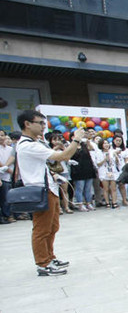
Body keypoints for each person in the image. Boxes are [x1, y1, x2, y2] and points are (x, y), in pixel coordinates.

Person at [14, 110, 82, 275]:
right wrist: (77, 139)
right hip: (40, 190)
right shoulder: (28, 145)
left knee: (52, 227)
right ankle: (43, 263)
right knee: (42, 228)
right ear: (27, 124)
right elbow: (64, 156)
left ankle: (49, 256)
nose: (43, 127)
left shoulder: (32, 143)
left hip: (48, 188)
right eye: (40, 123)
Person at [70, 136, 97, 211]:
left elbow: (92, 149)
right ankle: (80, 204)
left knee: (88, 188)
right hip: (78, 170)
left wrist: (88, 143)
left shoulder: (84, 145)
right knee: (80, 188)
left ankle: (88, 203)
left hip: (88, 168)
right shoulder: (71, 146)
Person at [97, 139, 123, 208]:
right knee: (106, 189)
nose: (106, 145)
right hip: (104, 172)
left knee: (113, 188)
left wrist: (116, 157)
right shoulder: (99, 153)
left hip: (112, 171)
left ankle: (114, 202)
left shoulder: (112, 152)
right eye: (104, 143)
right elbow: (98, 164)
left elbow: (117, 163)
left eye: (107, 143)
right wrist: (105, 159)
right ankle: (107, 202)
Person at [0, 129, 14, 223]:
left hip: (9, 176)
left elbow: (13, 158)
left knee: (8, 197)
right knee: (3, 197)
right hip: (2, 176)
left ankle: (8, 214)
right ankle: (5, 215)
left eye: (2, 135)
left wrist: (6, 167)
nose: (1, 137)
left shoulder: (10, 149)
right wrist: (6, 168)